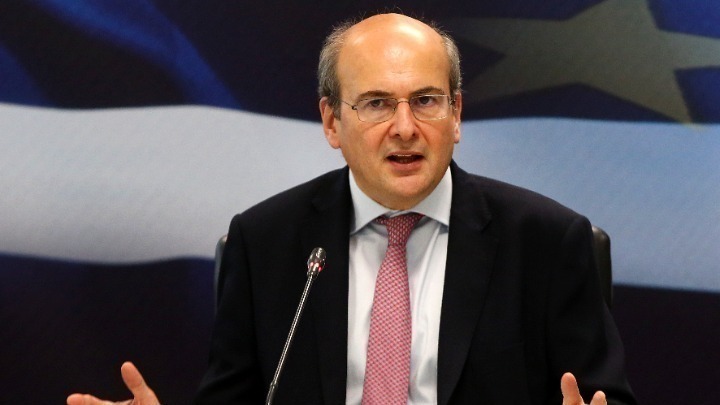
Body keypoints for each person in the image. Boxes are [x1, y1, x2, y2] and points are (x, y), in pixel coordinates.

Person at [68, 13, 636, 405]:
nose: (405, 128)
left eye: (426, 101)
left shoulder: (547, 242)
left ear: (457, 114)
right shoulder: (266, 243)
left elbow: (603, 397)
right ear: (332, 122)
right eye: (377, 104)